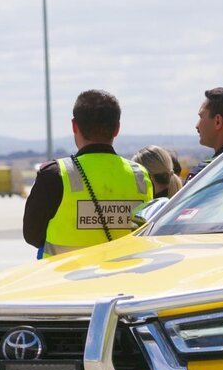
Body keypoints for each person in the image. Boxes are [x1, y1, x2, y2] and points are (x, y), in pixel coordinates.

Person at [23, 89, 153, 258]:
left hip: (67, 274)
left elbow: (32, 235)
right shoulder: (140, 176)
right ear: (117, 128)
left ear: (74, 126)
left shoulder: (55, 175)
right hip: (124, 274)